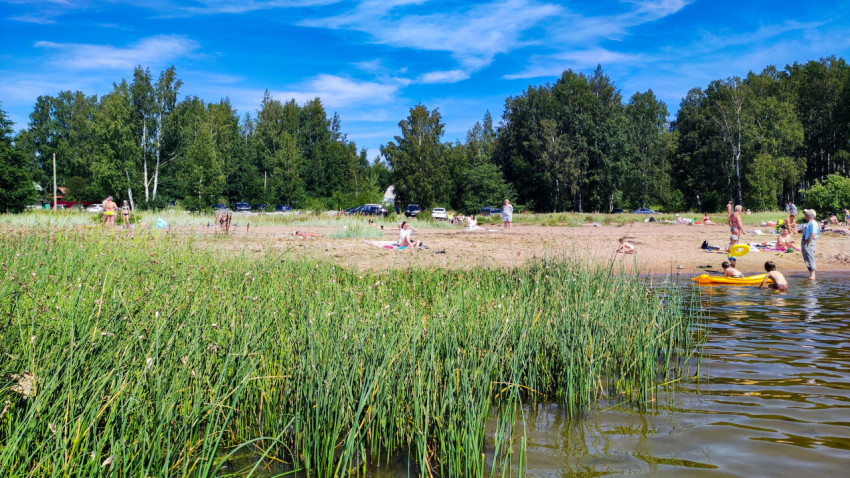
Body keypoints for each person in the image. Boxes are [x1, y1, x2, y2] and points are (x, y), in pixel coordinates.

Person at [801, 209, 819, 280]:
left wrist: (807, 242)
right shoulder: (810, 223)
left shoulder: (813, 223)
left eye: (805, 214)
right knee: (807, 256)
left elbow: (813, 234)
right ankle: (811, 274)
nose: (804, 215)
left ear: (809, 215)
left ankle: (812, 275)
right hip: (807, 241)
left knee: (810, 256)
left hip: (809, 242)